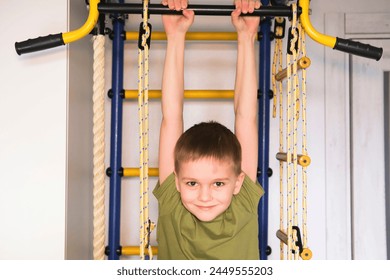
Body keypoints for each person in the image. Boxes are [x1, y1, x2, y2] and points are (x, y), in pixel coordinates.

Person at [153, 0, 264, 260]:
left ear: (238, 183)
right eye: (192, 183)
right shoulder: (173, 203)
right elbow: (170, 116)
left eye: (218, 183)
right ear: (177, 182)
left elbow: (246, 117)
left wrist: (247, 36)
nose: (204, 196)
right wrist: (175, 35)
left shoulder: (243, 203)